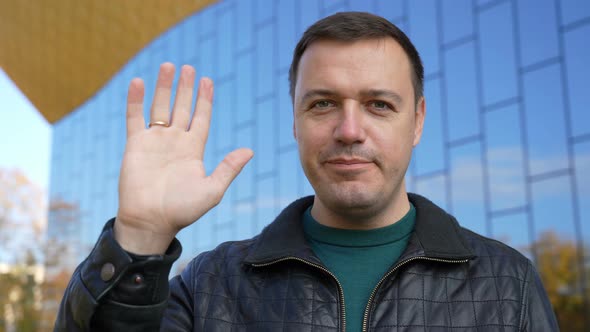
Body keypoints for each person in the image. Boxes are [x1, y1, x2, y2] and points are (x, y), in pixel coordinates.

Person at [55, 12, 558, 331]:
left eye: (379, 105)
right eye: (322, 104)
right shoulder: (213, 285)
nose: (349, 129)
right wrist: (139, 238)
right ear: (295, 121)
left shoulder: (506, 281)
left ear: (418, 121)